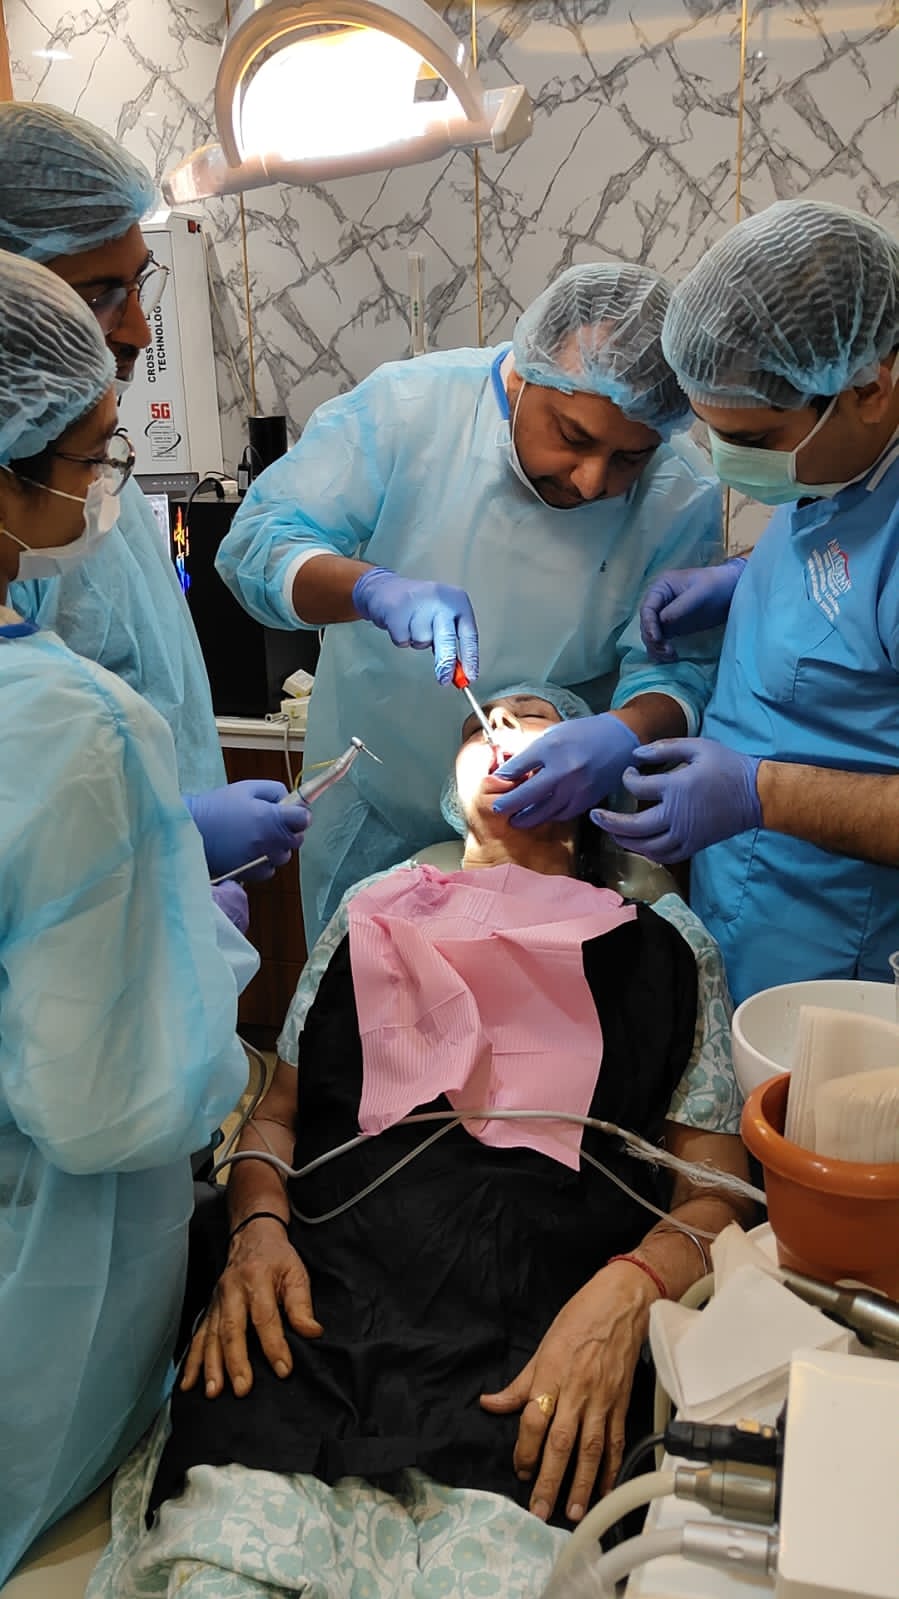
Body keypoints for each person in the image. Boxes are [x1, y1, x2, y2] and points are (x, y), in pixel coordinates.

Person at [88, 685, 751, 1599]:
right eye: (484, 725)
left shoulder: (665, 944)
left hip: (534, 1355)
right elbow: (275, 1114)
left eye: (535, 721)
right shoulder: (372, 905)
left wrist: (627, 1292)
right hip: (314, 1328)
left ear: (593, 772)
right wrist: (256, 1230)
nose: (503, 729)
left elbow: (715, 1200)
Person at [0, 250, 261, 1582]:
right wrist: (195, 946)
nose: (108, 485)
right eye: (97, 453)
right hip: (38, 1284)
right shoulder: (68, 730)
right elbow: (112, 1108)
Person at [215, 262, 724, 944]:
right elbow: (259, 544)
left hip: (548, 842)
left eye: (630, 459)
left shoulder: (678, 494)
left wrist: (623, 732)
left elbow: (677, 669)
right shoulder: (410, 411)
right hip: (374, 811)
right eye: (573, 437)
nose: (591, 480)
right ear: (523, 376)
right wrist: (368, 588)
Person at [593, 201, 899, 1003]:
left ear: (868, 387)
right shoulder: (839, 468)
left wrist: (759, 792)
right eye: (711, 433)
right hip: (741, 914)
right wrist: (738, 580)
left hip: (835, 966)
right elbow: (839, 580)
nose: (727, 462)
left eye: (753, 441)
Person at [0, 101, 309, 883]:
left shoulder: (84, 475)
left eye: (139, 284)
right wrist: (169, 835)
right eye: (101, 294)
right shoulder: (22, 512)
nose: (138, 330)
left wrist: (182, 842)